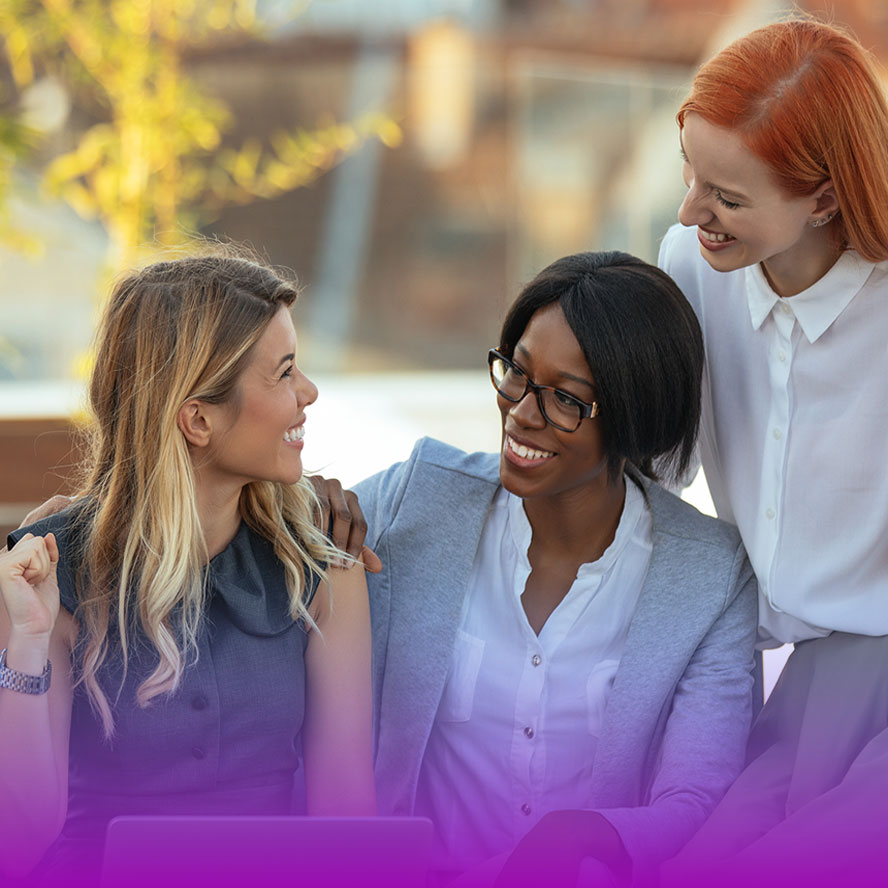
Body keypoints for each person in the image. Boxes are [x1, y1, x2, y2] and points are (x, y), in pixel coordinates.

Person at [354, 251, 757, 887]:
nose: (521, 412)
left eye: (566, 399)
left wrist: (599, 833)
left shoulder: (711, 577)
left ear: (637, 416)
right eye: (515, 372)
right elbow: (262, 527)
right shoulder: (412, 503)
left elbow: (698, 798)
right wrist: (308, 505)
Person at [0, 253, 376, 886]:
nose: (308, 391)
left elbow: (346, 819)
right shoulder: (47, 574)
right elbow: (18, 842)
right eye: (284, 372)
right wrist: (28, 645)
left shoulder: (323, 567)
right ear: (198, 419)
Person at [657, 17, 888, 886]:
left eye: (726, 195)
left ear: (826, 197)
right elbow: (642, 466)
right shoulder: (689, 263)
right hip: (784, 684)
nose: (689, 212)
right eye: (690, 176)